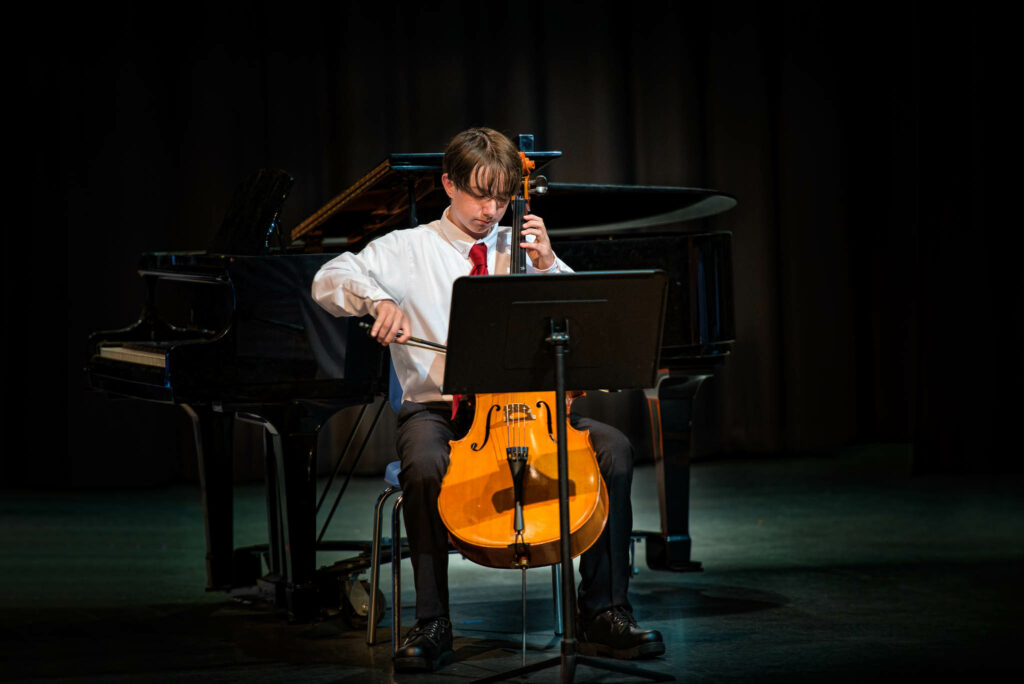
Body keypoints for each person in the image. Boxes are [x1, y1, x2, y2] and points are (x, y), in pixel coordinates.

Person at [312, 127, 664, 672]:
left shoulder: (521, 245)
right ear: (447, 184)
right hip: (441, 411)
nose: (491, 209)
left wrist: (548, 264)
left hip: (530, 412)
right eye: (480, 194)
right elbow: (329, 277)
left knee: (613, 448)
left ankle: (603, 610)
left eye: (502, 197)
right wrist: (377, 300)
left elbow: (585, 316)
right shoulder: (408, 248)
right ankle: (433, 622)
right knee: (425, 463)